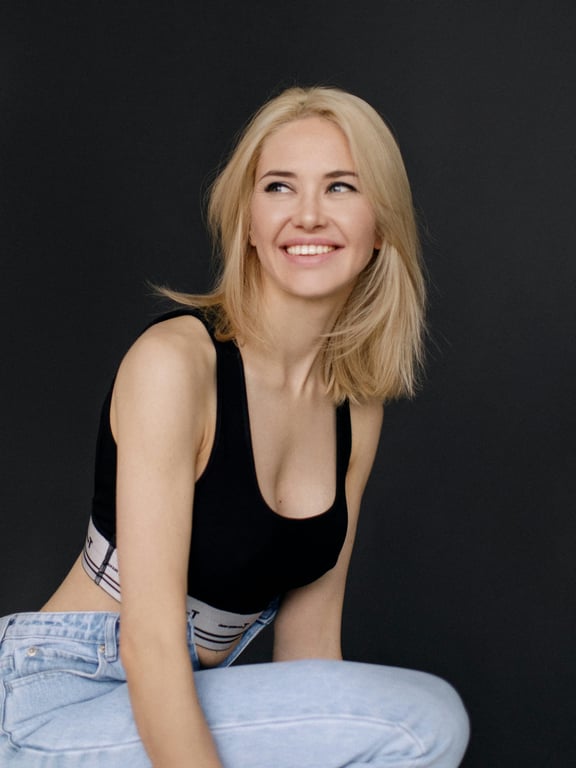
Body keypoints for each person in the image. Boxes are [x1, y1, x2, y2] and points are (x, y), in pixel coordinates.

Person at [0, 86, 469, 767]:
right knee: (423, 721)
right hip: (55, 701)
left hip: (183, 693)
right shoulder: (176, 365)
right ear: (248, 221)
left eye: (341, 187)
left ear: (382, 227)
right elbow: (151, 644)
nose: (308, 215)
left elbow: (311, 657)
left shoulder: (354, 405)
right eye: (280, 187)